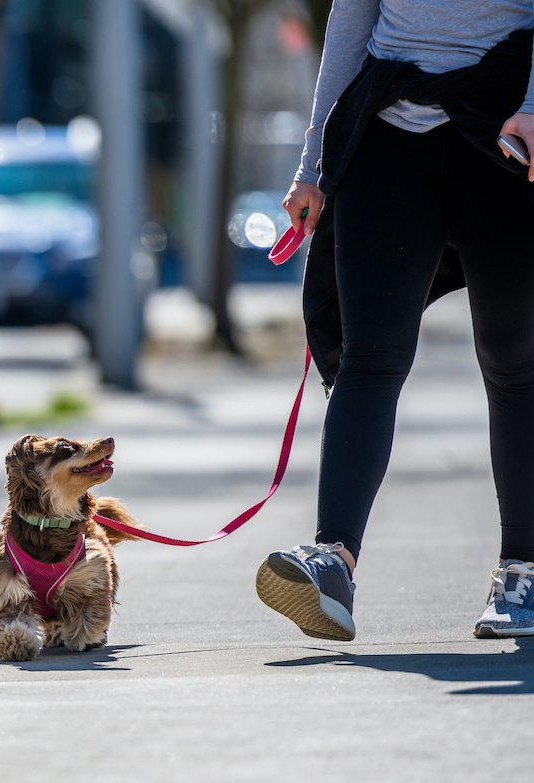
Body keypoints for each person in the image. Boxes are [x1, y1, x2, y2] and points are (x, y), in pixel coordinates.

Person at [254, 0, 534, 641]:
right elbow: (351, 22)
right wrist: (312, 167)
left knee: (514, 358)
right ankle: (334, 562)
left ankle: (524, 570)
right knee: (369, 355)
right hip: (388, 129)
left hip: (507, 126)